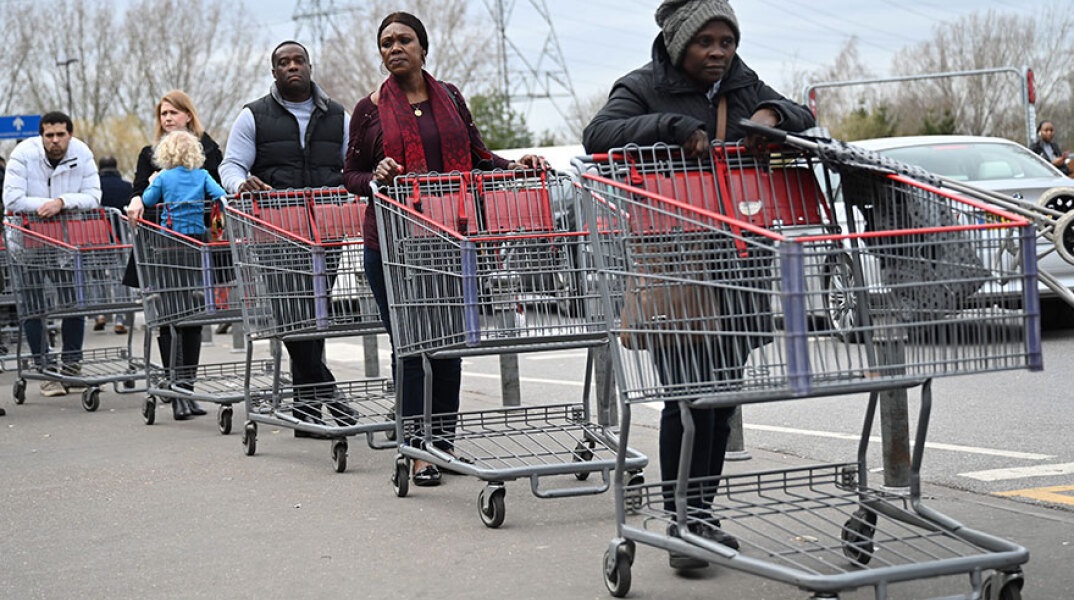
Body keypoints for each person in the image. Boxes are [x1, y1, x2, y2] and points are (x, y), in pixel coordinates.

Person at [583, 0, 815, 571]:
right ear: (679, 42)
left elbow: (801, 113)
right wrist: (671, 126)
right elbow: (599, 134)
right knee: (687, 398)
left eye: (727, 41)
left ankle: (701, 514)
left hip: (738, 262)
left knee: (721, 398)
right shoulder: (641, 87)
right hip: (675, 263)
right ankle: (683, 521)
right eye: (705, 42)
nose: (717, 53)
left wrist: (769, 118)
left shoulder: (740, 82)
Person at [342, 12, 545, 486]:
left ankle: (442, 443)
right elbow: (350, 174)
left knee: (448, 344)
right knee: (412, 347)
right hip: (392, 245)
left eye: (404, 40)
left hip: (450, 240)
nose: (395, 48)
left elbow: (478, 157)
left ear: (423, 47)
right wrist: (376, 177)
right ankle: (416, 449)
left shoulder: (450, 97)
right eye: (386, 42)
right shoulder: (368, 108)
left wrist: (516, 164)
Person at [220, 40, 358, 437]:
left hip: (326, 230)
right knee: (291, 315)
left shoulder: (337, 115)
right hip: (275, 231)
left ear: (310, 67)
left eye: (298, 61)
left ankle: (307, 413)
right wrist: (239, 184)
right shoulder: (253, 116)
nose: (292, 67)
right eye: (283, 63)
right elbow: (231, 165)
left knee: (314, 314)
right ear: (274, 72)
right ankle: (329, 394)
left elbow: (350, 165)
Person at [122, 90, 224, 420]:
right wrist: (141, 193)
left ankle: (187, 387)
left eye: (173, 113)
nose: (167, 119)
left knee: (192, 316)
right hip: (160, 244)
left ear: (188, 116)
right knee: (170, 315)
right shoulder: (150, 154)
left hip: (197, 243)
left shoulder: (207, 151)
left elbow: (219, 191)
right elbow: (140, 189)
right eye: (163, 114)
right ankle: (174, 385)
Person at [2, 111, 102, 397]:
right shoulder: (23, 154)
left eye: (61, 135)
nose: (55, 141)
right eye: (49, 135)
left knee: (72, 304)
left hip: (64, 243)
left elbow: (94, 196)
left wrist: (62, 202)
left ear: (70, 133)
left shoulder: (81, 153)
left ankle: (71, 366)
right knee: (34, 308)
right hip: (27, 241)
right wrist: (45, 205)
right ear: (41, 135)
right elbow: (11, 198)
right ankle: (45, 369)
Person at [96, 156, 134, 334]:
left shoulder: (95, 187)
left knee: (97, 277)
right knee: (118, 278)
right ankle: (119, 319)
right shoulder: (126, 187)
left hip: (97, 239)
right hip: (120, 239)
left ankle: (100, 314)